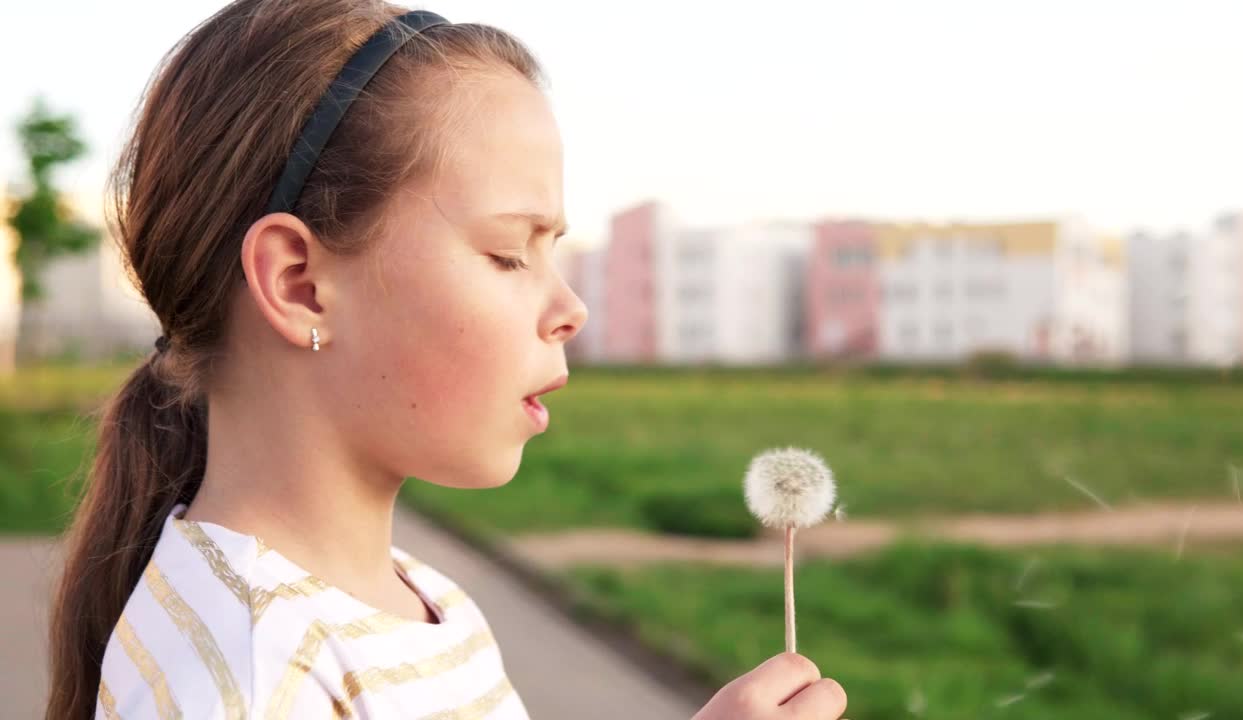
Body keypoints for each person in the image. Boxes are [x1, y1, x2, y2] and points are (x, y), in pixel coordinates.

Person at [44, 2, 849, 718]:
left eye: (554, 251)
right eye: (508, 254)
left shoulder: (421, 602)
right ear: (299, 284)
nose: (572, 310)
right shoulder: (250, 685)